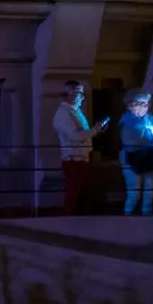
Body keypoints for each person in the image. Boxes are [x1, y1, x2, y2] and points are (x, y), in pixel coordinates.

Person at [52, 81, 107, 214]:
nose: (82, 97)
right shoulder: (63, 114)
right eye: (79, 94)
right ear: (70, 94)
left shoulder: (75, 112)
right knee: (74, 193)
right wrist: (94, 130)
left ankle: (77, 219)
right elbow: (75, 137)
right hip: (74, 160)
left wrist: (95, 131)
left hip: (81, 159)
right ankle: (69, 220)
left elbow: (82, 134)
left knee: (81, 193)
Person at [118, 90, 153, 215]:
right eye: (141, 104)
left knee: (149, 190)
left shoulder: (149, 118)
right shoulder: (126, 121)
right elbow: (130, 142)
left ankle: (147, 214)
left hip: (149, 159)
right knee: (134, 192)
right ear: (132, 105)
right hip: (132, 161)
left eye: (146, 104)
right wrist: (151, 135)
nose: (144, 107)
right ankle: (128, 215)